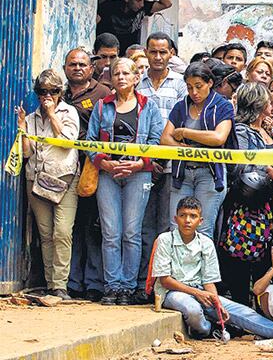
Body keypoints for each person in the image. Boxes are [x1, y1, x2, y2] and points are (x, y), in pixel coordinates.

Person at [153, 197, 273, 342]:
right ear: (175, 219)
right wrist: (198, 294)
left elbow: (208, 280)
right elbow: (165, 280)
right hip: (172, 292)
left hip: (201, 292)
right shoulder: (165, 239)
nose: (188, 220)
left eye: (192, 216)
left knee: (243, 311)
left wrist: (216, 301)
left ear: (201, 221)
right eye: (183, 215)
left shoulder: (205, 243)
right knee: (193, 310)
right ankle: (208, 330)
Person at [86, 58, 164, 306]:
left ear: (135, 78)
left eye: (125, 73)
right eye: (116, 73)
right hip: (108, 174)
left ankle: (128, 287)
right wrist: (104, 163)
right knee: (111, 232)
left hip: (137, 174)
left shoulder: (148, 107)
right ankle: (112, 286)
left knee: (131, 232)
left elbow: (155, 142)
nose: (120, 77)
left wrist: (140, 164)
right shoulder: (102, 106)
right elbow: (90, 142)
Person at [17, 70, 81, 301]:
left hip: (64, 178)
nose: (48, 96)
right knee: (45, 234)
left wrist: (52, 114)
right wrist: (23, 128)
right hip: (36, 179)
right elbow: (26, 153)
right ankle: (51, 283)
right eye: (43, 92)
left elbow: (67, 143)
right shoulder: (32, 118)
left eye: (53, 92)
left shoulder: (68, 112)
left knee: (62, 232)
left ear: (60, 93)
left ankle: (60, 285)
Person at [219, 82, 273, 306]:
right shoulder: (241, 131)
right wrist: (266, 168)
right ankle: (241, 310)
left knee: (265, 257)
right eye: (268, 98)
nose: (272, 102)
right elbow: (241, 164)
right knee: (242, 255)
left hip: (271, 205)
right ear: (258, 103)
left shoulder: (270, 130)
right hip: (248, 206)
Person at [136, 32, 188, 302]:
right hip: (142, 167)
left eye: (163, 52)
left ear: (171, 54)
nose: (157, 57)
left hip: (171, 168)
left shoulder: (180, 85)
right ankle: (142, 285)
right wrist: (148, 160)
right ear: (146, 52)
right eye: (153, 52)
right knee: (143, 228)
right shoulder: (138, 83)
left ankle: (165, 285)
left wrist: (162, 159)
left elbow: (180, 128)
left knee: (167, 227)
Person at [162, 63, 234, 237]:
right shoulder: (181, 106)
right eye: (189, 87)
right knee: (176, 228)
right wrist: (181, 148)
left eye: (198, 86)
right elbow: (165, 139)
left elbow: (218, 138)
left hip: (210, 174)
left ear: (210, 83)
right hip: (182, 173)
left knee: (203, 230)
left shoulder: (223, 106)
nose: (194, 92)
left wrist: (185, 133)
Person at [64, 48, 111, 302]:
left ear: (91, 69)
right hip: (65, 170)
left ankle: (94, 283)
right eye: (73, 64)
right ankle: (72, 282)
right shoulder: (59, 94)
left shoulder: (102, 94)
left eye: (82, 64)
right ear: (65, 68)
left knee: (94, 227)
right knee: (72, 226)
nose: (78, 68)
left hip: (93, 169)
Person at [96, 0, 172, 52]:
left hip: (130, 55)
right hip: (109, 53)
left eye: (142, 0)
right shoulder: (108, 7)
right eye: (138, 1)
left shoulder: (143, 8)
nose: (142, 4)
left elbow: (167, 4)